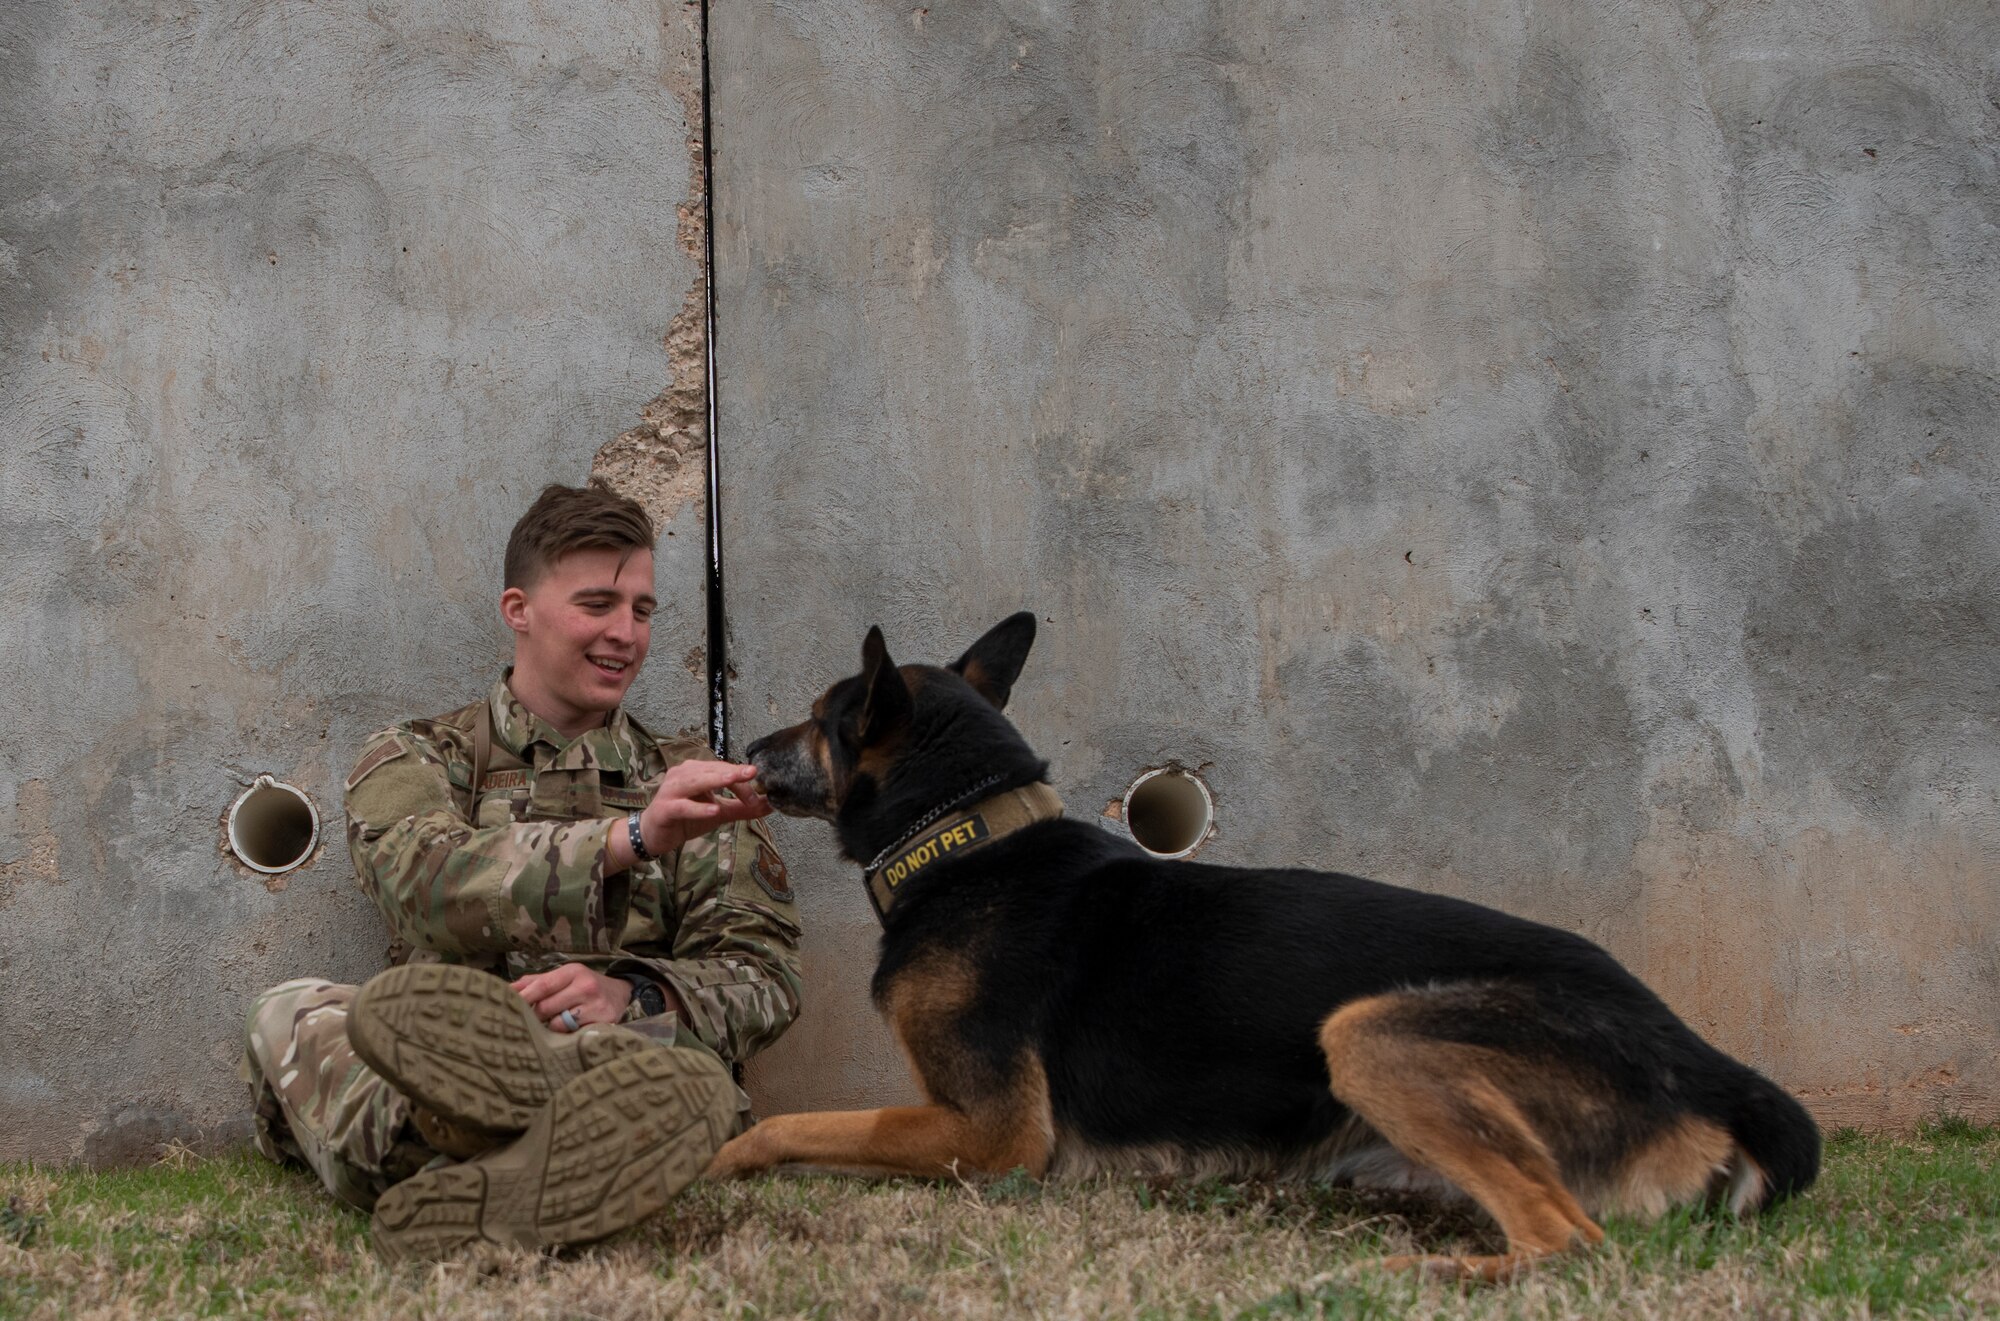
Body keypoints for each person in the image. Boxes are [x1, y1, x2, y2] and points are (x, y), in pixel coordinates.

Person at [238, 482, 802, 1261]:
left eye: (642, 610)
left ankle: (471, 1147)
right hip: (446, 1061)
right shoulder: (414, 754)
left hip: (628, 1056)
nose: (625, 634)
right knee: (290, 1008)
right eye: (597, 603)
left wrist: (633, 991)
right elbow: (424, 888)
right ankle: (486, 1128)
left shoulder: (691, 778)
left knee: (657, 1071)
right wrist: (630, 837)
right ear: (518, 608)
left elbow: (765, 973)